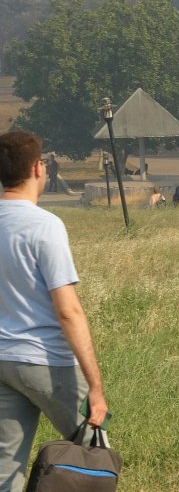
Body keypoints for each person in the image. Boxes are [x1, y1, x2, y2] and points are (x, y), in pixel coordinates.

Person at [0, 131, 109, 490]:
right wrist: (95, 385)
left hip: (2, 359)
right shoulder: (44, 225)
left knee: (6, 469)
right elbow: (68, 311)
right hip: (46, 362)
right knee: (94, 451)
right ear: (37, 168)